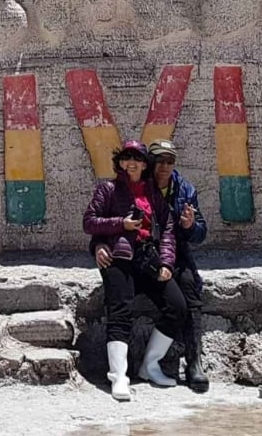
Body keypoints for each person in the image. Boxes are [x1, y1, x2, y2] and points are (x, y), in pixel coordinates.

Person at [83, 138, 187, 400]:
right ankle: (118, 376)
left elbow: (168, 228)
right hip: (118, 258)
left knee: (177, 307)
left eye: (138, 158)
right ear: (119, 162)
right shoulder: (107, 189)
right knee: (120, 312)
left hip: (148, 258)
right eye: (127, 157)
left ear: (145, 164)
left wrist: (166, 262)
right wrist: (121, 225)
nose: (132, 162)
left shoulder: (152, 193)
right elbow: (90, 222)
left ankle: (150, 366)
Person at [148, 138, 209, 391]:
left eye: (169, 161)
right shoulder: (140, 187)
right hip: (146, 253)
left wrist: (189, 226)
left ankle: (194, 362)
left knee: (191, 294)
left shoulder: (185, 190)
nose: (164, 166)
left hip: (177, 254)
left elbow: (201, 232)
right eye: (159, 161)